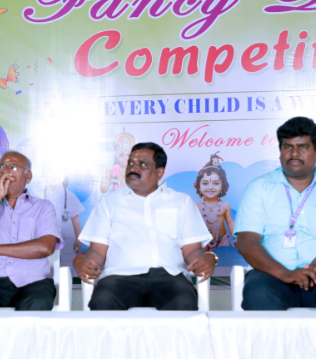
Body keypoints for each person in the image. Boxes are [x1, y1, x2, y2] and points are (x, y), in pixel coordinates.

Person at [75, 142, 216, 310]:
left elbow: (192, 250)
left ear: (159, 172)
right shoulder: (109, 202)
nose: (133, 168)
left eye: (142, 164)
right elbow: (97, 251)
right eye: (130, 163)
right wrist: (81, 260)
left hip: (169, 277)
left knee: (183, 301)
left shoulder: (181, 201)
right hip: (119, 277)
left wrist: (207, 257)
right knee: (103, 300)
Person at [0, 151, 63, 311]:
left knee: (37, 306)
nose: (6, 171)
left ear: (28, 177)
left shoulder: (43, 207)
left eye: (13, 167)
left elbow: (46, 247)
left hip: (33, 283)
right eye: (1, 166)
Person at [235, 116, 316, 310]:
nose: (294, 153)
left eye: (303, 147)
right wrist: (284, 273)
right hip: (272, 275)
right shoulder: (259, 187)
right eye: (288, 147)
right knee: (259, 294)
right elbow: (246, 241)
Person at [194, 156, 236, 250]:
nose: (210, 187)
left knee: (226, 257)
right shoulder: (196, 206)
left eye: (216, 183)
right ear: (199, 187)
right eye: (205, 183)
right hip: (204, 242)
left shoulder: (225, 205)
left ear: (222, 186)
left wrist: (235, 237)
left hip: (223, 241)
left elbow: (230, 222)